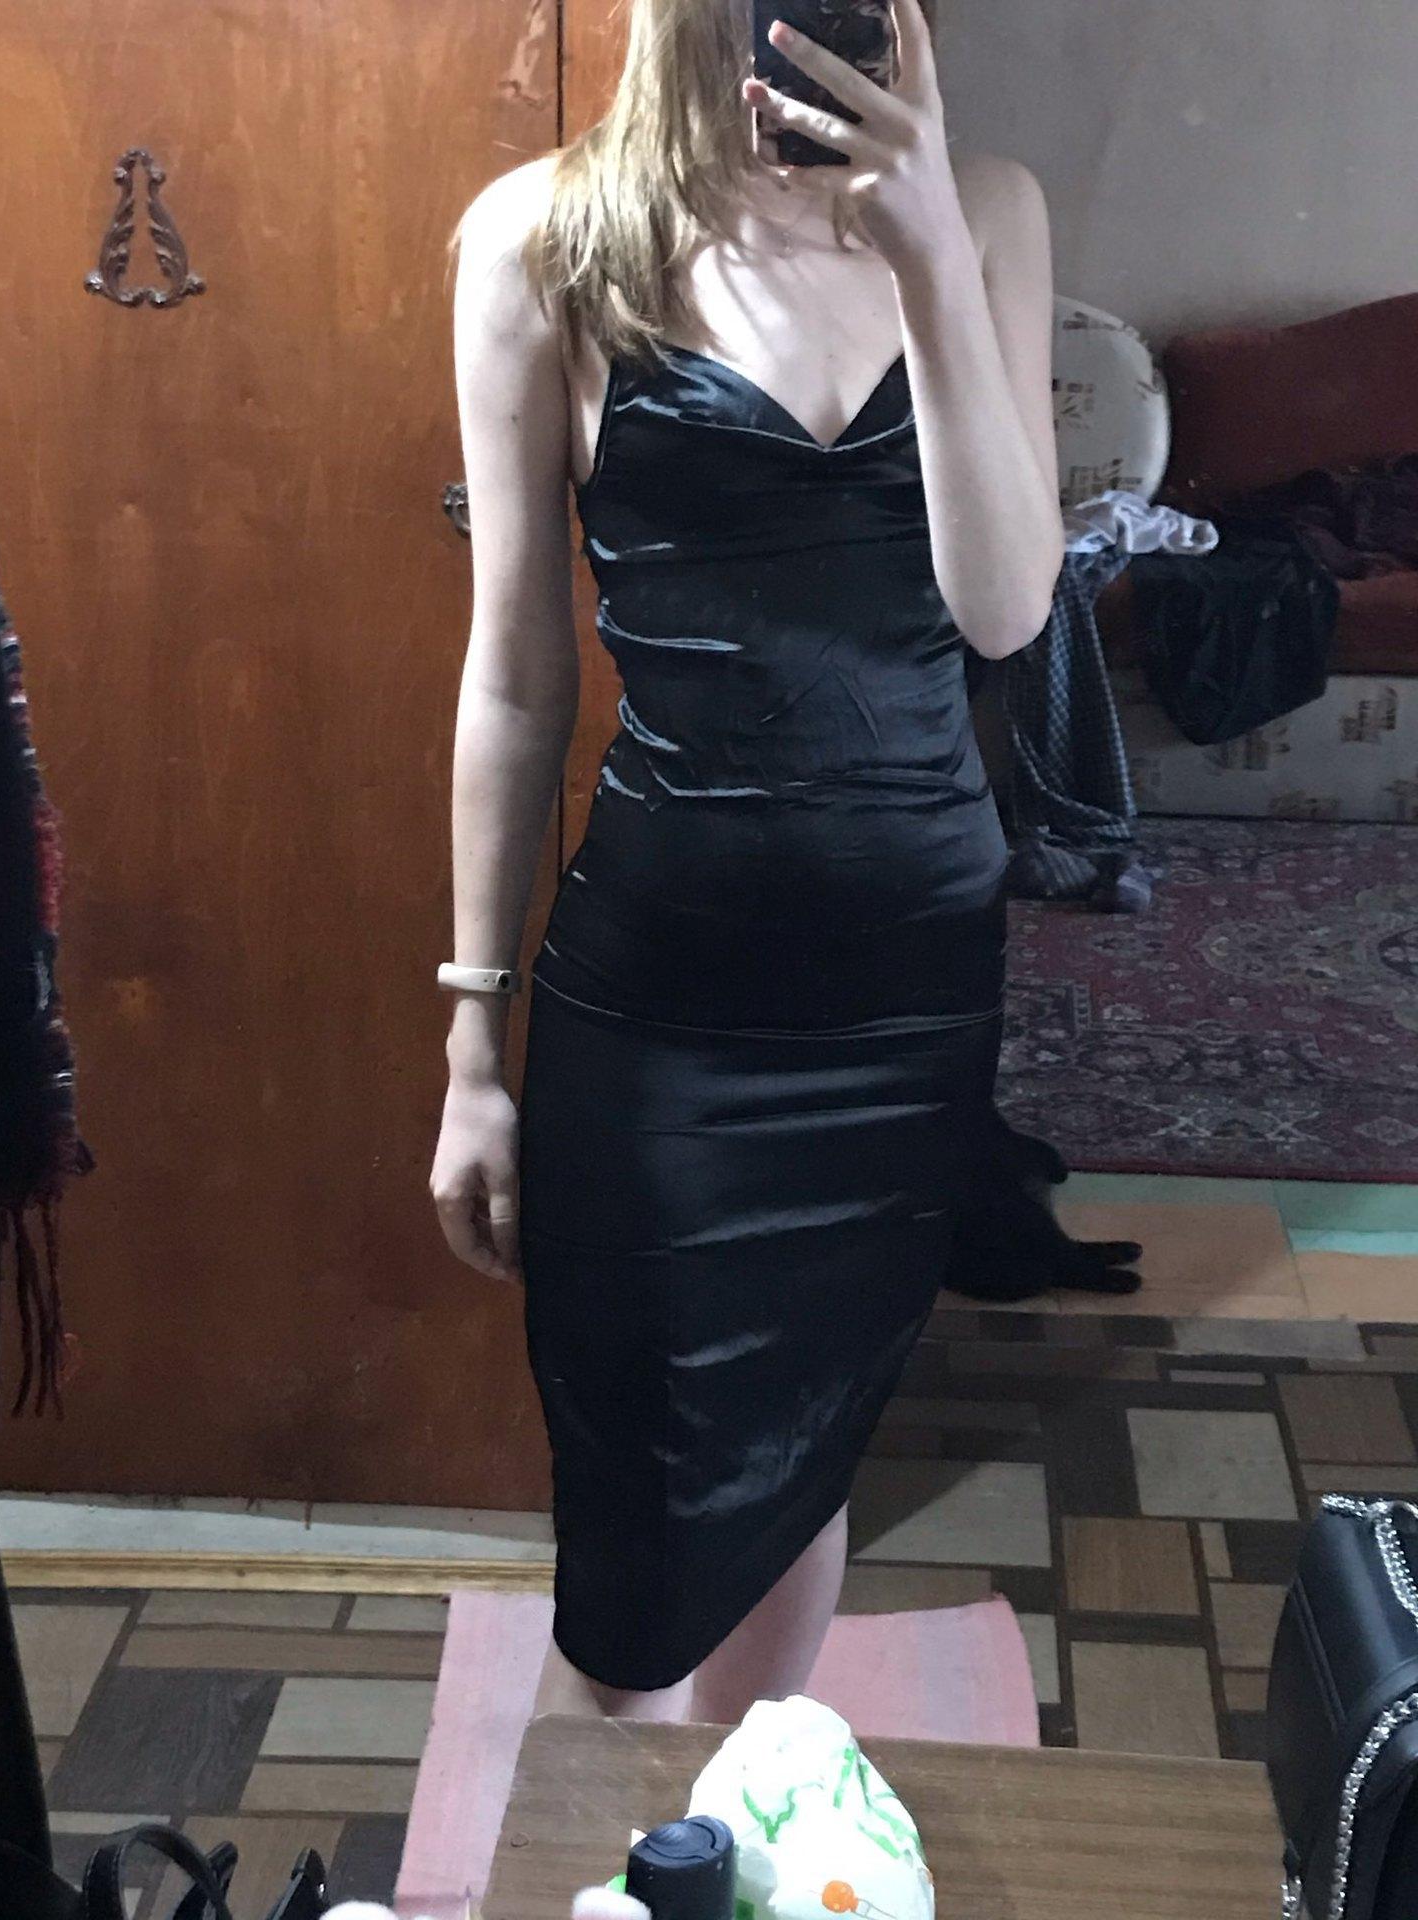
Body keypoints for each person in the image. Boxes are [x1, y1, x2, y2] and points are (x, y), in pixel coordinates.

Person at [430, 0, 1064, 1725]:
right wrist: (473, 1046)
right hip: (664, 1009)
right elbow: (517, 674)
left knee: (799, 1457)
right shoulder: (546, 241)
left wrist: (928, 257)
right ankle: (620, 1850)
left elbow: (1006, 608)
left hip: (907, 1000)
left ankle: (737, 1815)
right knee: (639, 1548)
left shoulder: (987, 211)